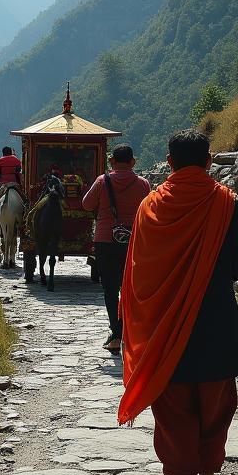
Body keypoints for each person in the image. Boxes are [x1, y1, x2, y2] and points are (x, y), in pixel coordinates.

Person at [117, 129, 238, 475]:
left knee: (174, 416)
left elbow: (138, 273)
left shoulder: (150, 207)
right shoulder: (226, 203)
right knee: (216, 408)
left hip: (164, 331)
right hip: (216, 324)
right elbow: (237, 265)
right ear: (209, 160)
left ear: (169, 163)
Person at [82, 145, 150, 352]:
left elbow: (86, 204)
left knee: (110, 289)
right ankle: (130, 333)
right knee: (131, 288)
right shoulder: (143, 184)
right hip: (134, 241)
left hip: (105, 240)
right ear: (133, 162)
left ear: (111, 161)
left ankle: (116, 333)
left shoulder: (103, 181)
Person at [0, 146, 24, 214]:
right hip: (15, 183)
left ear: (3, 153)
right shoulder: (17, 160)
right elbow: (19, 173)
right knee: (23, 197)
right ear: (11, 152)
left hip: (2, 184)